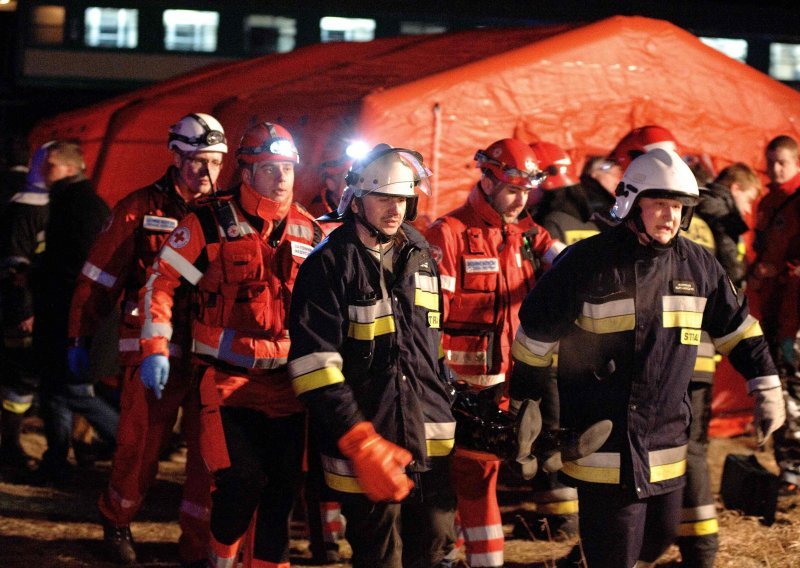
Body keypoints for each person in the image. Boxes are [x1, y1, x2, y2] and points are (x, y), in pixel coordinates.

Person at [508, 148, 784, 567]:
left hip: (666, 441)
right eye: (659, 206)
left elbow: (739, 330)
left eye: (677, 207)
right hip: (603, 443)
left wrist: (766, 385)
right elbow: (534, 339)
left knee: (659, 538)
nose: (670, 217)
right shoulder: (586, 263)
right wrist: (527, 410)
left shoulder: (697, 265)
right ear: (631, 204)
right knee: (616, 553)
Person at [140, 121, 322, 567]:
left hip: (287, 388)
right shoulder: (206, 221)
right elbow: (160, 284)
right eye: (270, 168)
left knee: (282, 491)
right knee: (241, 482)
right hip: (224, 382)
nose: (282, 178)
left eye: (287, 168)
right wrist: (155, 349)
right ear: (245, 171)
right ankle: (220, 561)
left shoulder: (310, 231)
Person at [67, 113, 228, 565]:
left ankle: (197, 543)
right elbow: (98, 279)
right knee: (140, 446)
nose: (207, 172)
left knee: (207, 455)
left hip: (209, 348)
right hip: (149, 346)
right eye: (198, 160)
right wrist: (78, 336)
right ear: (175, 155)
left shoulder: (225, 213)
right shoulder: (140, 208)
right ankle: (117, 522)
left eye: (215, 162)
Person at [287, 144, 457, 567]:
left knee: (435, 549)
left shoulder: (421, 258)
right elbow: (313, 366)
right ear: (357, 200)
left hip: (429, 441)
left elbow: (428, 348)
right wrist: (360, 440)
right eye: (384, 197)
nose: (395, 208)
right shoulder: (328, 266)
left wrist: (455, 406)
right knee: (380, 556)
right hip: (368, 440)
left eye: (402, 198)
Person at [423, 138, 566, 566]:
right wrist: (439, 382)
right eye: (511, 188)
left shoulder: (528, 234)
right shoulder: (448, 234)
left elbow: (565, 262)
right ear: (484, 178)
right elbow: (429, 320)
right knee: (456, 483)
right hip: (452, 390)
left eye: (526, 191)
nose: (520, 199)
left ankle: (467, 556)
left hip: (504, 383)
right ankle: (451, 556)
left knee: (479, 479)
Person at [32, 140, 119, 485]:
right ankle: (56, 458)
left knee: (71, 389)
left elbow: (80, 266)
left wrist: (38, 275)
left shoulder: (78, 206)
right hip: (68, 311)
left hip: (71, 313)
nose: (42, 173)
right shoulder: (76, 202)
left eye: (48, 165)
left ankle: (125, 439)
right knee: (55, 387)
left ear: (67, 167)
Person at [749, 135, 800, 495]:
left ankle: (794, 469)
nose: (774, 169)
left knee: (794, 392)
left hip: (794, 314)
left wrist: (782, 269)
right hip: (771, 310)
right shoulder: (768, 202)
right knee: (780, 390)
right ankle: (790, 470)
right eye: (770, 161)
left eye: (781, 161)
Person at [0, 142, 51, 475]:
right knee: (19, 378)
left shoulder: (45, 206)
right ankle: (11, 447)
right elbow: (14, 268)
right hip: (22, 311)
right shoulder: (25, 209)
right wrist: (26, 310)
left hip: (35, 308)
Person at [696, 163, 761, 290]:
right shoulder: (721, 214)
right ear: (735, 188)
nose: (748, 209)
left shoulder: (706, 202)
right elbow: (728, 253)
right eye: (749, 200)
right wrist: (736, 288)